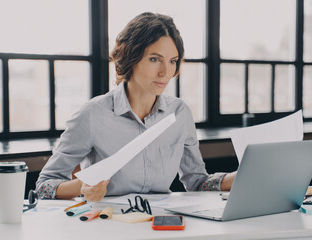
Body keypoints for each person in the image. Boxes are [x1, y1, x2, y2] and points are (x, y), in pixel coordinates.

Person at [36, 12, 236, 202]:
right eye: (154, 59)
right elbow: (44, 186)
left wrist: (237, 178)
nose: (165, 72)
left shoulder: (179, 113)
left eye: (172, 61)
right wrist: (81, 187)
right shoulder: (93, 114)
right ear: (131, 57)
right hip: (109, 224)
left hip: (160, 223)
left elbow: (198, 182)